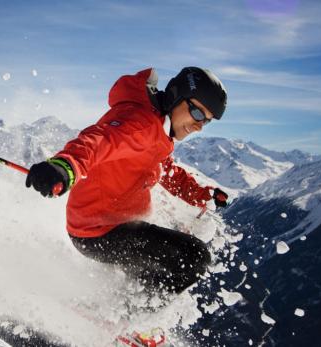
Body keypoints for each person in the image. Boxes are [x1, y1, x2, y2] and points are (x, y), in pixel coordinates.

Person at [26, 67, 230, 294]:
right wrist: (65, 166)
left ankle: (122, 306)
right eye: (198, 114)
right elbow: (99, 141)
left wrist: (203, 195)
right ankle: (130, 317)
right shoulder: (140, 123)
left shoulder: (158, 126)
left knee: (163, 256)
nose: (199, 126)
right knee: (194, 257)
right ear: (176, 96)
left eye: (207, 121)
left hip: (116, 224)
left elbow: (165, 169)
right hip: (99, 230)